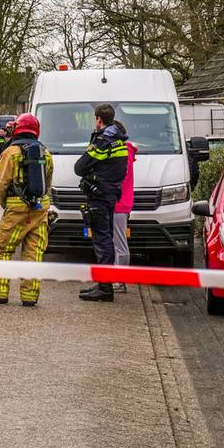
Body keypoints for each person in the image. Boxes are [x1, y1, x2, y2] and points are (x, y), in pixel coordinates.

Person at [0, 113, 53, 307]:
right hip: (40, 210)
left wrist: (7, 204)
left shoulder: (11, 152)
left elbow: (1, 183)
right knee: (34, 252)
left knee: (3, 249)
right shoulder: (45, 152)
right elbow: (47, 183)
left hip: (16, 208)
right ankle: (29, 296)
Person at [75, 104, 129, 302]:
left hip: (100, 196)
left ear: (99, 119)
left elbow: (80, 167)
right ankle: (103, 284)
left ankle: (105, 288)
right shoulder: (119, 140)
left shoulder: (104, 141)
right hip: (110, 195)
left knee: (102, 241)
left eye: (95, 119)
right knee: (106, 239)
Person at [112, 121, 138, 294]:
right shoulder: (126, 152)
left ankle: (120, 280)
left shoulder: (124, 154)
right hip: (119, 203)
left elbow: (119, 178)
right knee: (116, 242)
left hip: (119, 204)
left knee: (120, 243)